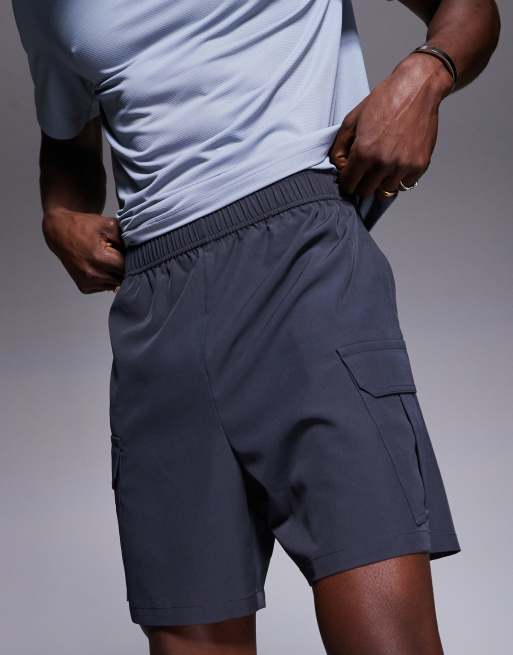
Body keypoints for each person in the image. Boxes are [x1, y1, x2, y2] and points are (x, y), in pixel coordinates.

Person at [12, 0, 499, 653]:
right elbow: (68, 141)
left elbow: (469, 10)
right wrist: (58, 216)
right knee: (191, 636)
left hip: (301, 264)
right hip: (153, 312)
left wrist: (426, 72)